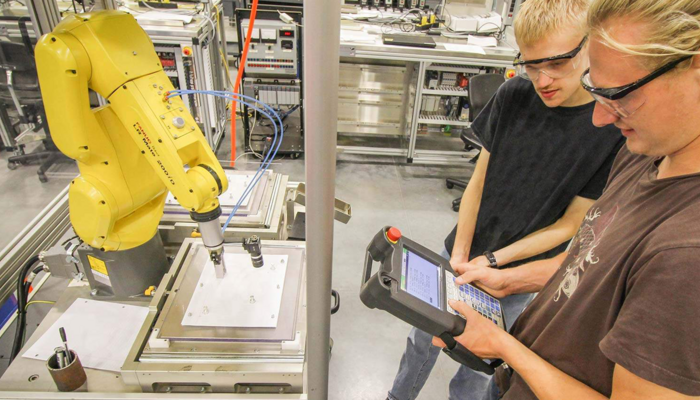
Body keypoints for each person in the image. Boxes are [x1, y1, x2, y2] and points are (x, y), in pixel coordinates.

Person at [436, 0, 700, 398]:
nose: (600, 118)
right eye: (596, 88)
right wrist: (508, 280)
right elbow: (590, 262)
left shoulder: (686, 253)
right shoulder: (644, 154)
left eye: (620, 94)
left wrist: (504, 345)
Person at [388, 1, 625, 399]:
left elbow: (570, 225)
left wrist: (495, 261)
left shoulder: (607, 127)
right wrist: (461, 253)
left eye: (557, 63)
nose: (542, 79)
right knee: (423, 336)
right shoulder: (514, 94)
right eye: (531, 65)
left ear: (589, 46)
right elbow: (477, 184)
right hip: (464, 253)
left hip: (518, 279)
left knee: (477, 369)